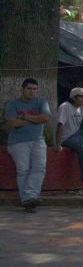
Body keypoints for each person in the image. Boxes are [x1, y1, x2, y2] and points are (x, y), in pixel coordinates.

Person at [3, 78, 50, 212]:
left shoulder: (42, 102)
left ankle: (30, 196)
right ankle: (27, 200)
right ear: (22, 89)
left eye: (34, 89)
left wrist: (24, 117)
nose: (32, 91)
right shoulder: (13, 104)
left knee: (39, 168)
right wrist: (36, 120)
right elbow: (12, 124)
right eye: (29, 88)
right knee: (23, 169)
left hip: (38, 140)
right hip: (18, 142)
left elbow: (45, 118)